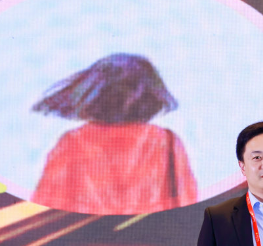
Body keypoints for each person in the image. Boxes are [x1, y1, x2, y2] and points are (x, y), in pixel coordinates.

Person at [32, 53, 198, 214]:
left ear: (94, 94)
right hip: (150, 232)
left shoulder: (72, 142)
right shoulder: (167, 141)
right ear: (152, 94)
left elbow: (46, 208)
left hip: (88, 232)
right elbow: (187, 204)